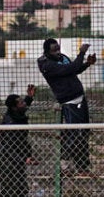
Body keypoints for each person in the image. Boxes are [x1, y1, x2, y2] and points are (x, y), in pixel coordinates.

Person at [38, 39, 96, 176]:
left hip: (79, 97)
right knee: (74, 134)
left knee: (83, 133)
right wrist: (81, 53)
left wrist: (87, 63)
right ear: (47, 51)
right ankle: (65, 166)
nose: (58, 52)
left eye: (58, 49)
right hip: (69, 101)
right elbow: (71, 68)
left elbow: (74, 70)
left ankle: (83, 168)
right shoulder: (47, 64)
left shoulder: (62, 58)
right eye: (54, 50)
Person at [0, 84, 37, 197]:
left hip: (17, 164)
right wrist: (24, 159)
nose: (24, 104)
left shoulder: (16, 115)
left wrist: (29, 97)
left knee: (22, 196)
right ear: (14, 107)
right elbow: (7, 148)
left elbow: (23, 109)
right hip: (8, 164)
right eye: (20, 102)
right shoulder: (10, 123)